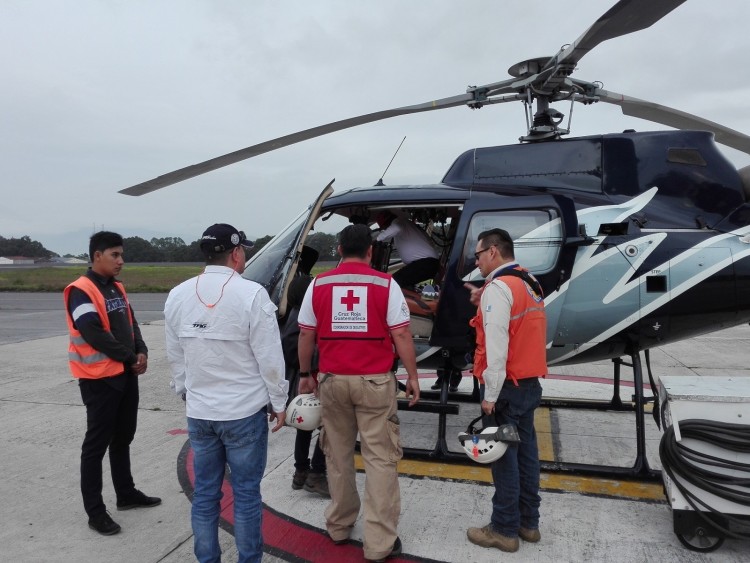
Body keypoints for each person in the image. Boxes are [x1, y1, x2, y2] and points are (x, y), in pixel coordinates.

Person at [164, 223, 288, 563]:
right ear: (235, 253)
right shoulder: (251, 294)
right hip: (243, 414)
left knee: (205, 495)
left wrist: (185, 392)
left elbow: (176, 356)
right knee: (246, 495)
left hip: (201, 413)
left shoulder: (178, 295)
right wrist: (279, 401)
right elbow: (270, 358)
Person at [297, 223, 421, 563]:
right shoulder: (386, 284)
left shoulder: (318, 284)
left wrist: (306, 374)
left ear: (338, 250)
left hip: (333, 381)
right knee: (380, 460)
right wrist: (412, 375)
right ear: (371, 251)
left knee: (337, 456)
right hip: (375, 383)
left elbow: (306, 335)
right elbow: (402, 335)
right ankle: (379, 543)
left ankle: (338, 525)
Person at [63, 231, 160, 536]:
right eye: (114, 255)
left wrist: (141, 350)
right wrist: (130, 357)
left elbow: (130, 322)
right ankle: (95, 512)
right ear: (97, 256)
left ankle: (126, 494)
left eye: (121, 254)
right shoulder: (80, 290)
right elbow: (93, 332)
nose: (121, 260)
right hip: (100, 379)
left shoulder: (116, 287)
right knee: (96, 446)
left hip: (124, 375)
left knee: (123, 437)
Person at [463, 228, 547, 553]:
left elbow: (497, 346)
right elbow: (519, 326)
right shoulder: (529, 282)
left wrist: (490, 396)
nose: (477, 261)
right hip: (527, 383)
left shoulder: (498, 288)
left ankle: (503, 529)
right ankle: (529, 523)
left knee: (502, 458)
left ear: (494, 251)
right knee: (526, 454)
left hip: (505, 388)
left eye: (479, 254)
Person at [279, 245, 329, 497]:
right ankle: (316, 473)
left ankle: (301, 471)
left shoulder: (295, 313)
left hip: (306, 376)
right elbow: (293, 347)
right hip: (311, 377)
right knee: (325, 425)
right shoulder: (303, 318)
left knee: (306, 426)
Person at [374, 210, 439, 288]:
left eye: (384, 227)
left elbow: (396, 227)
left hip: (424, 263)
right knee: (403, 281)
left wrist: (376, 240)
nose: (385, 229)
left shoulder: (398, 222)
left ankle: (416, 300)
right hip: (427, 263)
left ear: (386, 222)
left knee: (393, 283)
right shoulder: (407, 225)